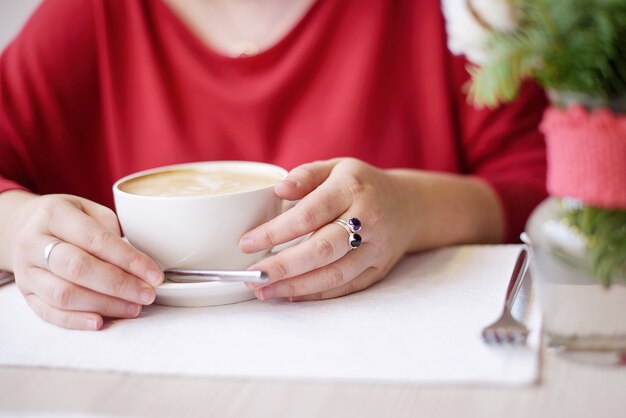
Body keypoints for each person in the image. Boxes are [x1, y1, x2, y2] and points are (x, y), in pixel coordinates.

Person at [0, 0, 547, 330]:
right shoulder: (95, 15)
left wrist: (413, 209)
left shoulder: (455, 14)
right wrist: (22, 228)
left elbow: (551, 187)